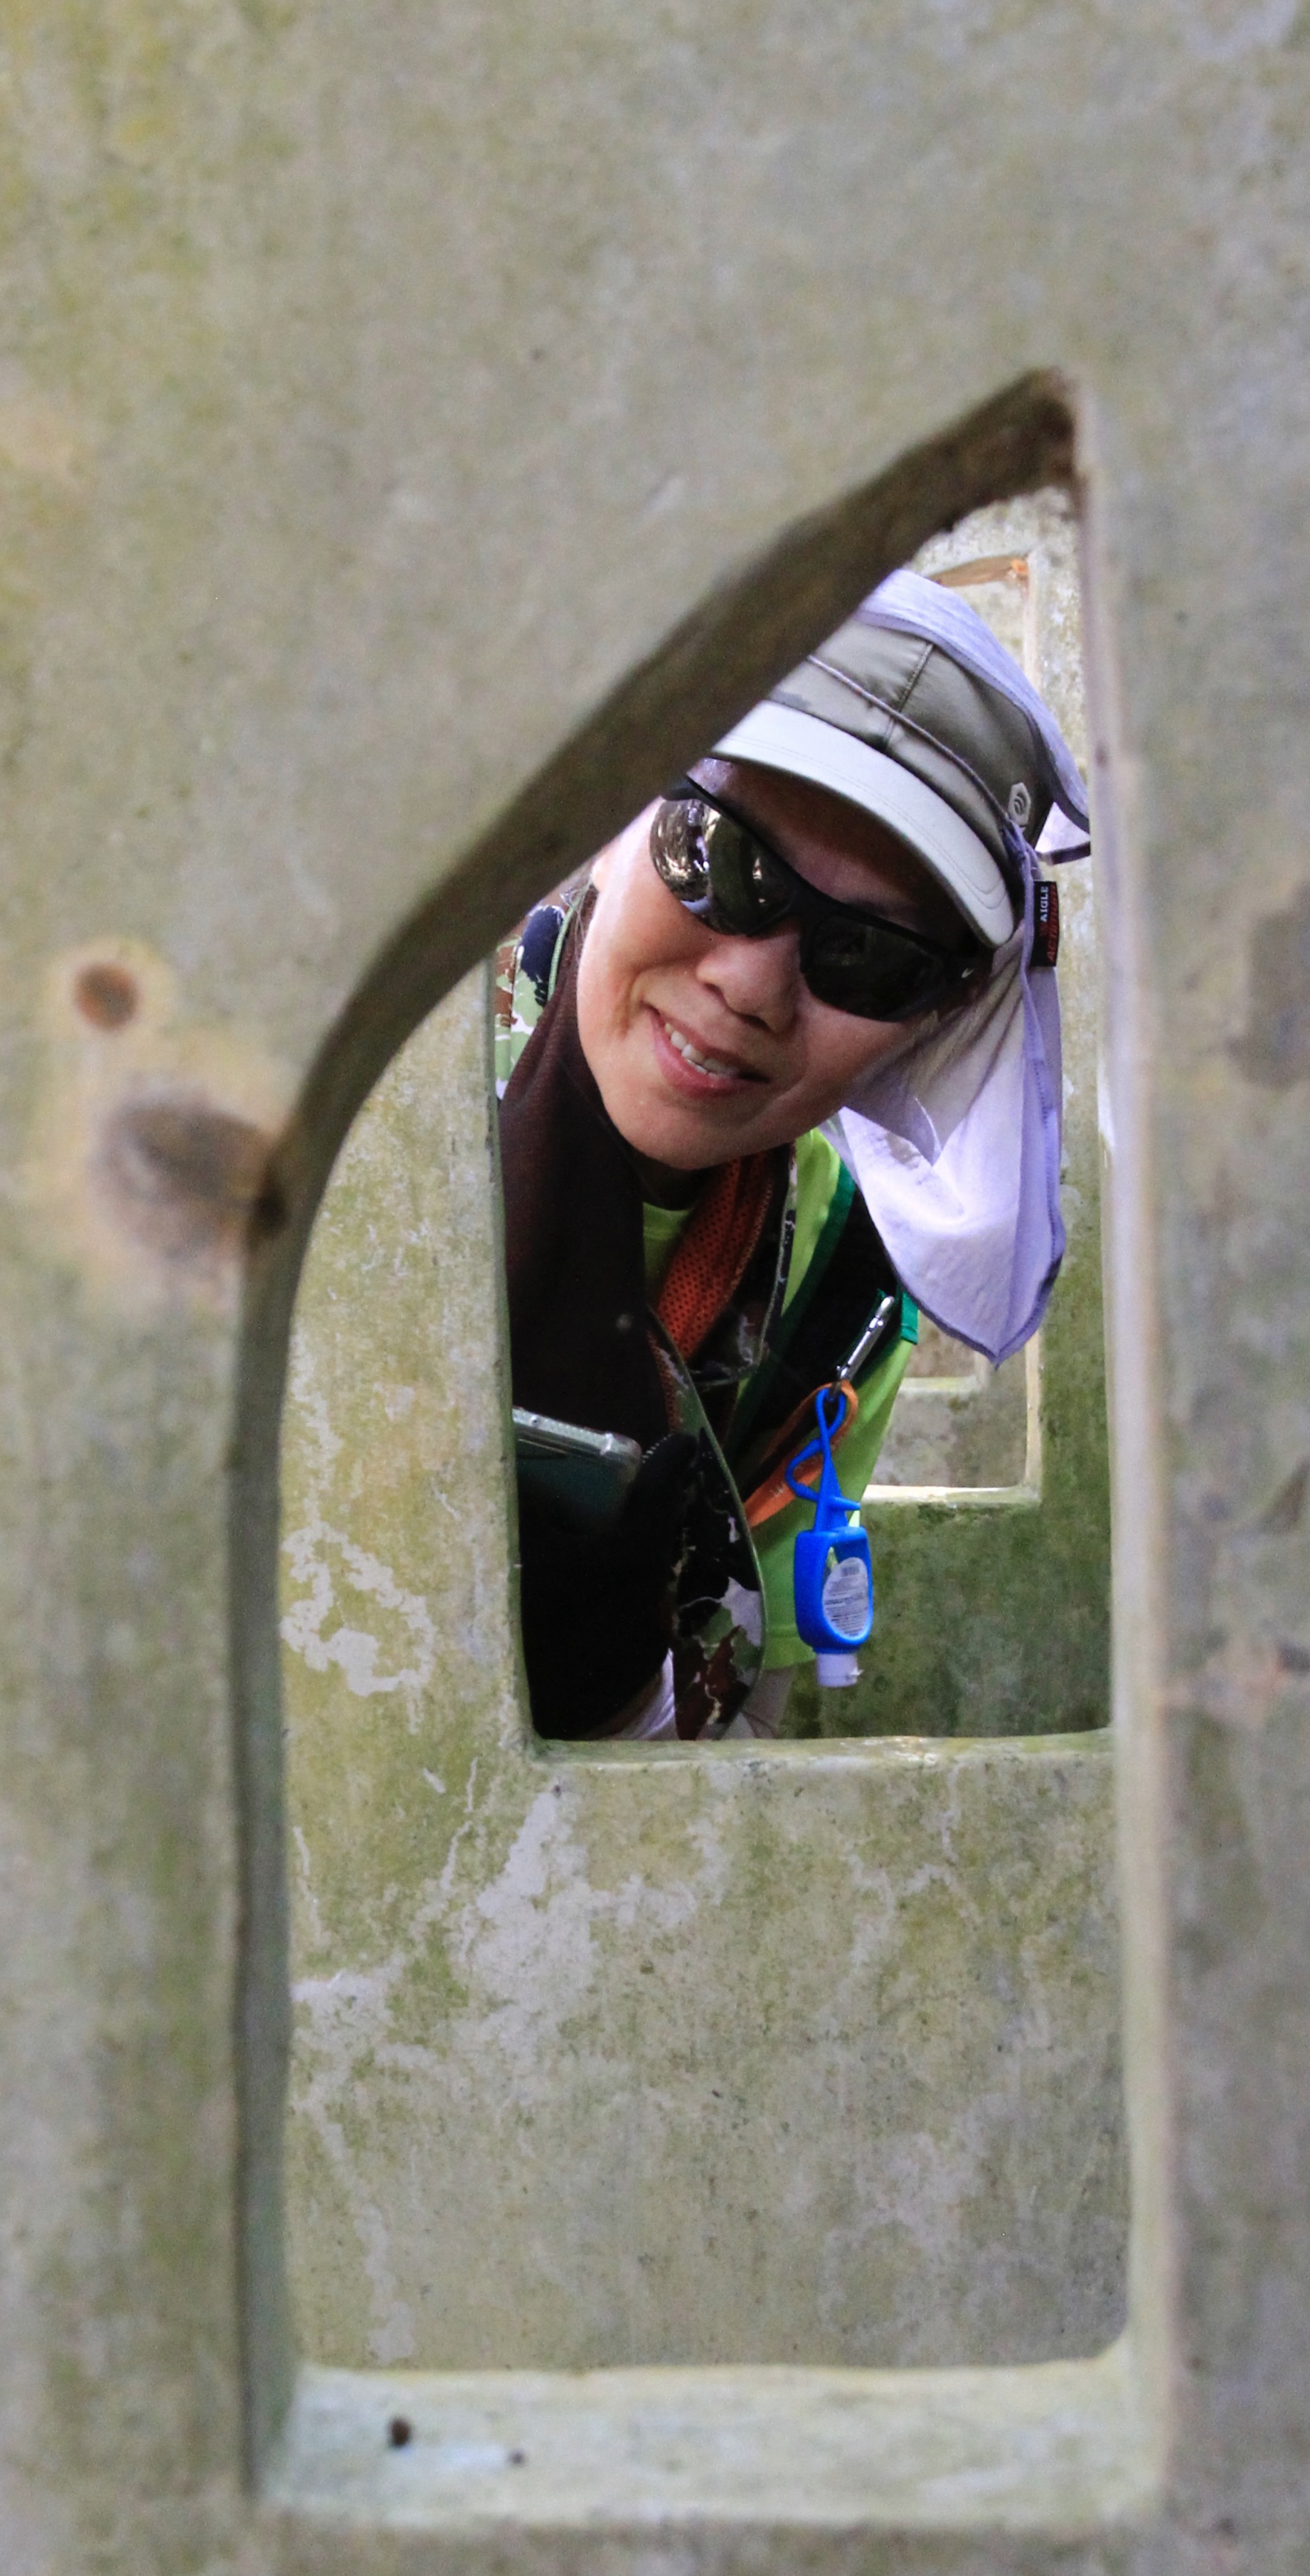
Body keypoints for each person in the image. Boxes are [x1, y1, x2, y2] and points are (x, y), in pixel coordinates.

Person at [497, 567, 1090, 1741]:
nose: (749, 985)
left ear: (928, 1026)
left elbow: (741, 1733)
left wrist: (624, 1690)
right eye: (719, 854)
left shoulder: (840, 1296)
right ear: (611, 821)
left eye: (870, 955)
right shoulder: (369, 1122)